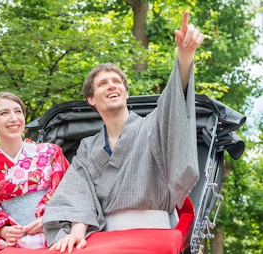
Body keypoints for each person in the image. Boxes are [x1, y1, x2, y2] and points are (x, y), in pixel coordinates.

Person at [42, 10, 203, 253]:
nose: (112, 86)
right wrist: (77, 228)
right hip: (106, 241)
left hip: (156, 237)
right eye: (103, 84)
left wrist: (184, 55)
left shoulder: (152, 126)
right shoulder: (88, 147)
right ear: (91, 99)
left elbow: (172, 104)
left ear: (126, 93)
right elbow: (77, 190)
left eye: (117, 81)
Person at [0, 92, 70, 254]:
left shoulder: (50, 153)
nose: (13, 118)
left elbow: (72, 193)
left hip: (54, 233)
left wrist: (49, 218)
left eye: (18, 111)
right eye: (4, 113)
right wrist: (1, 231)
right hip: (12, 242)